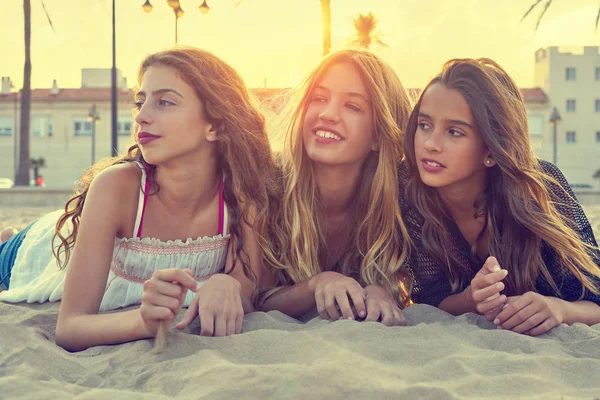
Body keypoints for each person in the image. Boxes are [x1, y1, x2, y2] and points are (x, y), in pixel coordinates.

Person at [0, 47, 276, 351]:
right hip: (33, 254)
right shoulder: (116, 187)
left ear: (215, 125)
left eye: (164, 102)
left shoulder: (243, 194)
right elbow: (69, 328)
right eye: (141, 103)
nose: (142, 117)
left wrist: (228, 283)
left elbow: (247, 294)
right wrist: (141, 322)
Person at [401, 57, 600, 336]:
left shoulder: (543, 189)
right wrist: (472, 299)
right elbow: (432, 300)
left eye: (454, 132)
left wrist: (559, 309)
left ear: (491, 151)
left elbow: (596, 296)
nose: (431, 144)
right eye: (424, 125)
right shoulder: (412, 194)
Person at [259, 49, 412, 326]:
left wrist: (379, 292)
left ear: (378, 136)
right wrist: (318, 284)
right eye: (319, 98)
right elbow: (258, 299)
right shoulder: (270, 186)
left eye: (352, 106)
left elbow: (416, 289)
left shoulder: (398, 201)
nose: (328, 114)